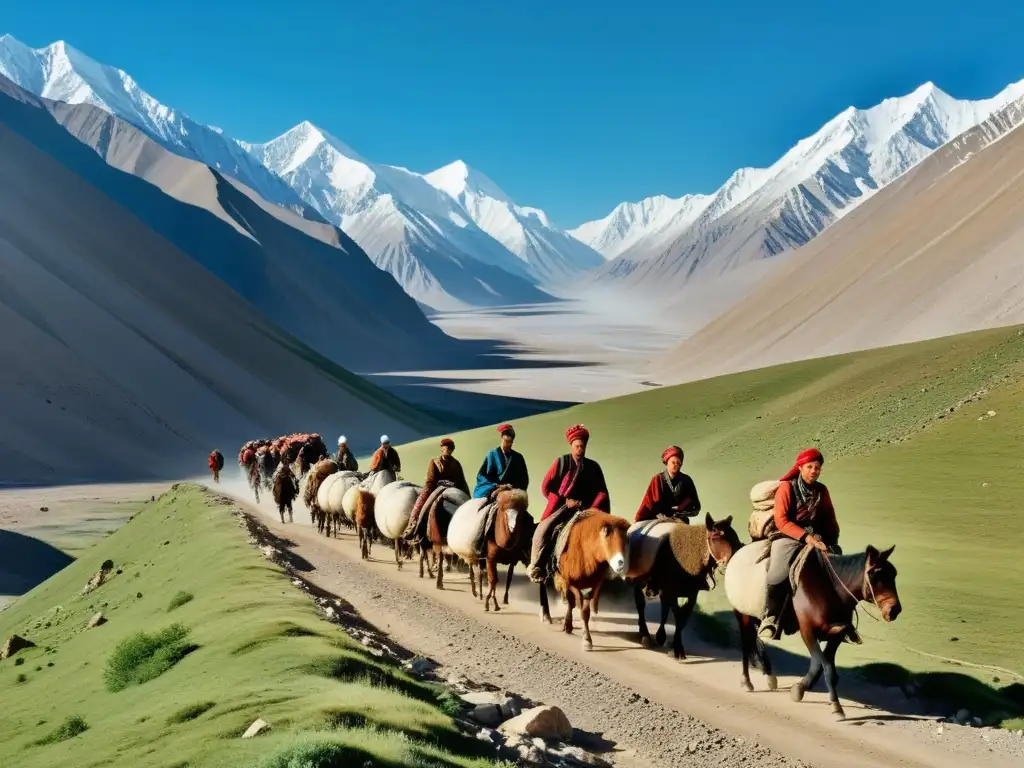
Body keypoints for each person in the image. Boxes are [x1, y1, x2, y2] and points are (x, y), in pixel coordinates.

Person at [759, 447, 841, 640]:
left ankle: (835, 617)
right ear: (801, 468)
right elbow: (782, 520)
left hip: (816, 538)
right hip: (787, 536)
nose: (814, 470)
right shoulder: (787, 488)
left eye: (817, 467)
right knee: (777, 572)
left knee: (838, 567)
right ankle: (770, 617)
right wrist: (806, 537)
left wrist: (831, 543)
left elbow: (830, 521)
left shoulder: (822, 490)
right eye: (810, 466)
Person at [527, 424, 611, 583]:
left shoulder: (593, 467)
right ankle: (536, 565)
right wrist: (564, 500)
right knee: (543, 529)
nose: (580, 449)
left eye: (583, 446)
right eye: (577, 446)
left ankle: (605, 569)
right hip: (563, 507)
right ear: (572, 446)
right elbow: (546, 486)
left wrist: (593, 507)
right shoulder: (561, 463)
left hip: (587, 508)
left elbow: (601, 492)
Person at [403, 438, 471, 539]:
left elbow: (461, 482)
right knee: (422, 499)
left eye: (449, 448)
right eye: (445, 447)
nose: (446, 450)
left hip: (452, 489)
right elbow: (430, 480)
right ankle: (412, 525)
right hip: (434, 488)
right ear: (442, 449)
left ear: (452, 450)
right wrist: (440, 483)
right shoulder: (434, 462)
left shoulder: (456, 464)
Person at [634, 446, 701, 523]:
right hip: (658, 520)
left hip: (680, 520)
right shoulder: (657, 479)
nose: (676, 465)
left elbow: (696, 507)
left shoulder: (686, 480)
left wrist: (681, 508)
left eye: (678, 463)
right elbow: (648, 503)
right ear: (667, 462)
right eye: (673, 462)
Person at [473, 423, 529, 499]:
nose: (508, 445)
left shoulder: (518, 457)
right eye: (506, 441)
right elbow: (482, 475)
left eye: (511, 442)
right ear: (501, 437)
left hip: (512, 491)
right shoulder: (492, 454)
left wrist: (510, 487)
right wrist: (496, 486)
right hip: (493, 489)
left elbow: (523, 479)